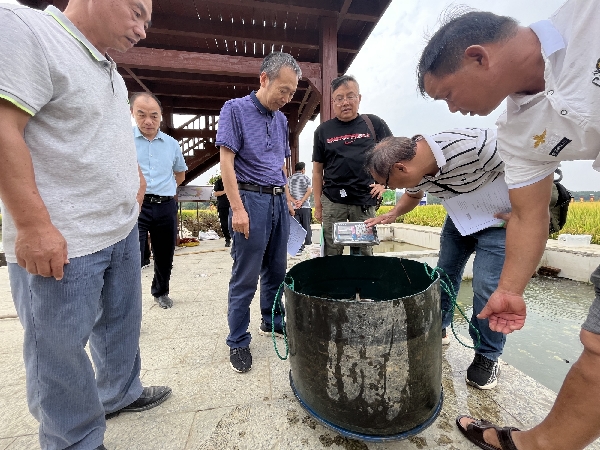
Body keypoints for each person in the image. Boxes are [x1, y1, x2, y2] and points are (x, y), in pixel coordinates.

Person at [418, 1, 600, 449]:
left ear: (478, 57)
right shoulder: (517, 134)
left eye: (448, 95)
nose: (452, 108)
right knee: (595, 343)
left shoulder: (586, 19)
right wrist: (511, 289)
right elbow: (528, 213)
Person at [0, 1, 172, 449]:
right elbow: (3, 126)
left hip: (118, 230)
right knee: (58, 354)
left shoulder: (110, 71)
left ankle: (118, 392)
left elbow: (103, 137)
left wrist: (132, 175)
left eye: (147, 22)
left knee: (121, 324)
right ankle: (75, 440)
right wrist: (33, 225)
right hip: (64, 240)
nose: (143, 30)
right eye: (137, 13)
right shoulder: (28, 29)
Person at [365, 129, 507, 390]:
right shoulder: (415, 168)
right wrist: (392, 214)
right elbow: (413, 194)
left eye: (386, 182)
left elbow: (530, 166)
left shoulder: (478, 147)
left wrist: (524, 209)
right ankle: (438, 328)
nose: (387, 188)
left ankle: (488, 355)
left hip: (499, 220)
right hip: (460, 216)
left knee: (487, 287)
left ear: (400, 168)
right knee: (443, 276)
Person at [216, 52, 300, 373]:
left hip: (278, 199)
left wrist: (289, 198)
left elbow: (281, 162)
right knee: (246, 274)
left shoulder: (281, 120)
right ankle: (238, 339)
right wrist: (237, 208)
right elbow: (226, 162)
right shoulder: (234, 110)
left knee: (277, 269)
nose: (287, 98)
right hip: (250, 199)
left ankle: (271, 319)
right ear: (263, 78)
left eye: (292, 93)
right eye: (283, 90)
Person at [312, 75, 393, 256]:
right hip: (333, 202)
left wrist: (384, 184)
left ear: (359, 98)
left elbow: (393, 157)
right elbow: (317, 171)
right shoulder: (323, 131)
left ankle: (361, 284)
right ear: (333, 102)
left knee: (363, 253)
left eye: (350, 96)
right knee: (332, 253)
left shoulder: (373, 124)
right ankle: (335, 284)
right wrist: (318, 205)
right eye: (339, 98)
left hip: (364, 200)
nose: (345, 102)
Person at [132, 92, 188, 309]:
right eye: (142, 115)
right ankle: (128, 300)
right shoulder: (125, 140)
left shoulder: (171, 144)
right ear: (133, 114)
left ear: (161, 117)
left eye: (154, 116)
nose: (148, 121)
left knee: (165, 252)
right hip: (136, 205)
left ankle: (161, 291)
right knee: (132, 254)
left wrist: (169, 189)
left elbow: (180, 173)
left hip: (165, 205)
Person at [287, 162, 313, 254]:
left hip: (294, 208)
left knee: (297, 227)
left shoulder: (289, 179)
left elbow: (287, 193)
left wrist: (294, 201)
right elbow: (309, 190)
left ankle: (299, 248)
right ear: (303, 169)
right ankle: (307, 243)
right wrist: (301, 201)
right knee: (306, 226)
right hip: (305, 206)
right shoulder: (306, 178)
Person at [213, 175, 232, 247]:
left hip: (233, 205)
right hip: (223, 206)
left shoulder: (234, 180)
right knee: (224, 224)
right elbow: (216, 193)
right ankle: (227, 239)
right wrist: (226, 191)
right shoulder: (219, 182)